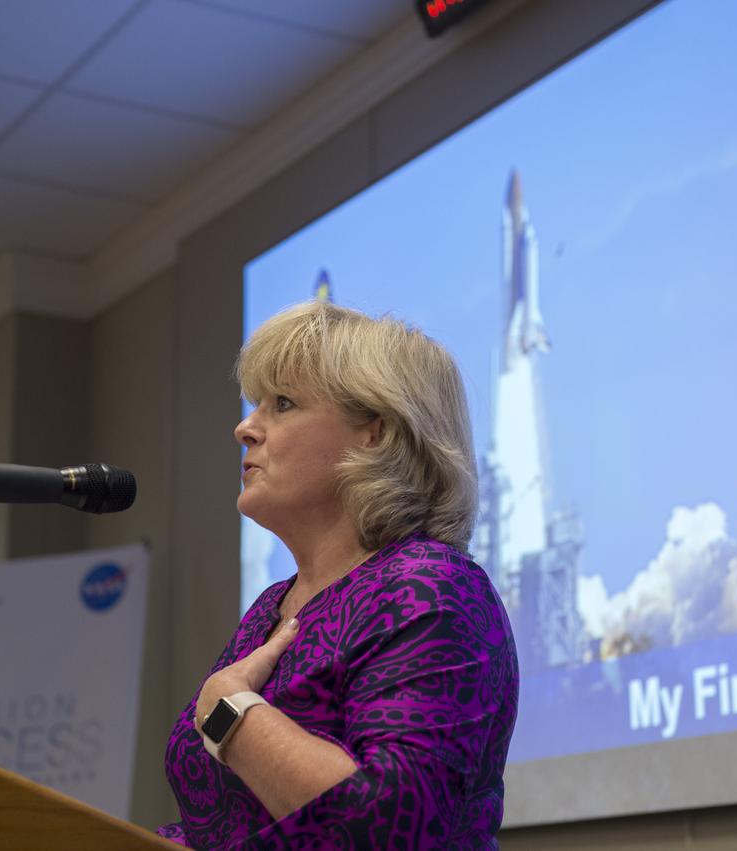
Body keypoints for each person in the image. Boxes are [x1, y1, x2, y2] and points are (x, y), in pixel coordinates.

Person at [158, 301, 519, 849]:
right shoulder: (270, 608)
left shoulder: (430, 587)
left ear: (374, 433)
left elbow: (388, 822)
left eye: (282, 404)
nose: (244, 429)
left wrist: (230, 713)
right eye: (256, 404)